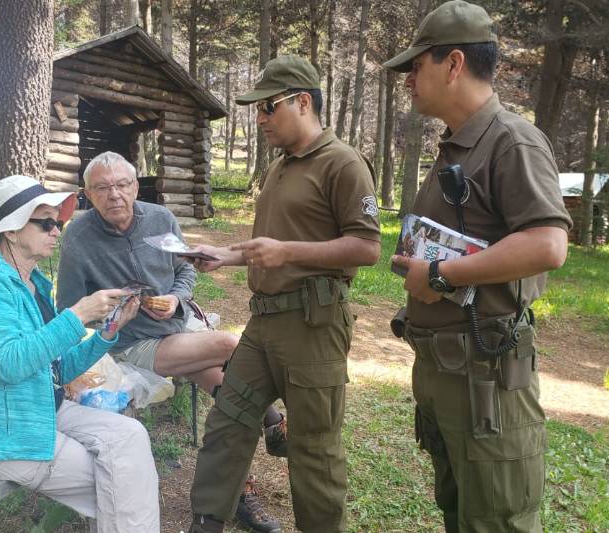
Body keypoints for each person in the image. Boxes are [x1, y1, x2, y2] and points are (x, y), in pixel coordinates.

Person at [382, 1, 572, 532]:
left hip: (487, 376)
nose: (408, 81)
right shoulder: (457, 146)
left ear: (453, 63)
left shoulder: (511, 140)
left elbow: (547, 244)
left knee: (497, 522)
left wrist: (441, 277)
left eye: (415, 66)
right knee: (462, 513)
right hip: (450, 373)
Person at [186, 55, 382, 533]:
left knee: (313, 446)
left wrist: (288, 251)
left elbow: (367, 247)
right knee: (229, 421)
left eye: (268, 107)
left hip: (313, 326)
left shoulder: (343, 163)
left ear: (303, 101)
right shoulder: (279, 167)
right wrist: (225, 255)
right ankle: (208, 522)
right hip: (264, 322)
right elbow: (267, 248)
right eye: (257, 109)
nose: (260, 118)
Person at [56, 151, 283, 533]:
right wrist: (111, 308)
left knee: (236, 394)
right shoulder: (78, 238)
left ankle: (239, 491)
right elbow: (70, 309)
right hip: (130, 342)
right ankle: (276, 422)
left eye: (122, 185)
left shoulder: (160, 219)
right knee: (230, 345)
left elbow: (184, 270)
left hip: (179, 327)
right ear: (87, 194)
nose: (114, 195)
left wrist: (176, 299)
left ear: (135, 186)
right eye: (102, 188)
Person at [0, 175, 160, 532]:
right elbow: (11, 363)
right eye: (45, 223)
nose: (57, 231)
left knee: (130, 438)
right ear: (10, 230)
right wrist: (77, 315)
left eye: (58, 223)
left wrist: (108, 332)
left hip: (39, 408)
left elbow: (57, 369)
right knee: (126, 480)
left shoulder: (34, 284)